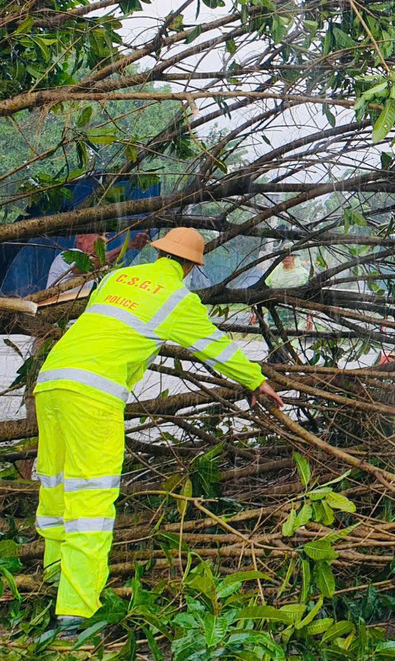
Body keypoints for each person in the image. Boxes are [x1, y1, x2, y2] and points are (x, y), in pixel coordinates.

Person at [33, 227, 284, 632]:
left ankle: (48, 582)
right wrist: (256, 380)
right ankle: (74, 614)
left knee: (57, 487)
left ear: (158, 253)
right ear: (189, 266)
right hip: (92, 395)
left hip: (51, 382)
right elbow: (215, 347)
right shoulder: (176, 298)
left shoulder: (116, 279)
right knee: (91, 503)